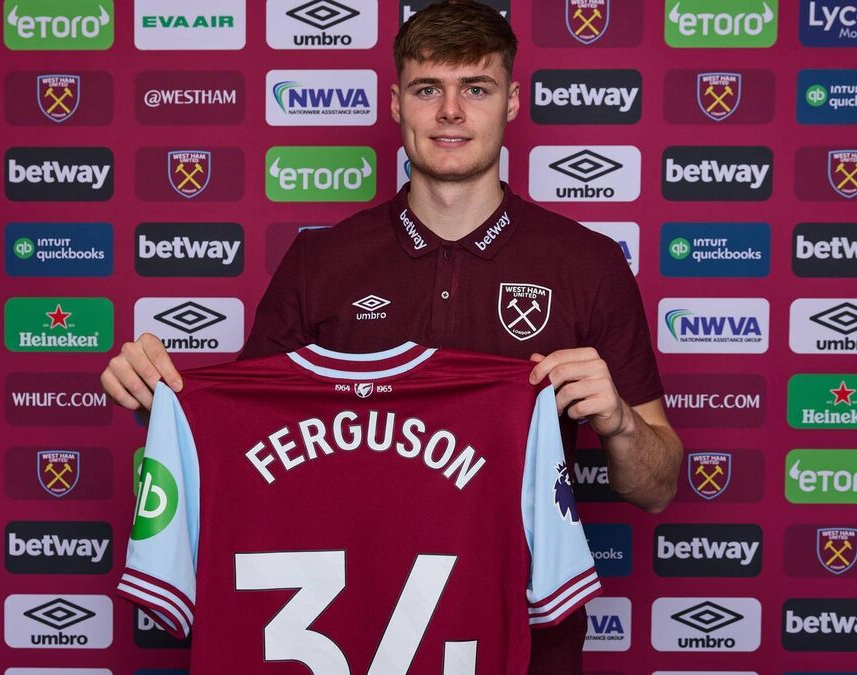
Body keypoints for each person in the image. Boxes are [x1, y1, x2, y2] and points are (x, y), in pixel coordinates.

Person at [102, 1, 683, 672]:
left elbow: (658, 487)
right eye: (427, 89)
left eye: (477, 88)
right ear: (395, 103)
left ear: (512, 102)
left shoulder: (588, 264)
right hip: (347, 643)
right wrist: (164, 405)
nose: (451, 112)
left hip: (524, 650)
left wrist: (619, 422)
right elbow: (240, 447)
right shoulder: (320, 263)